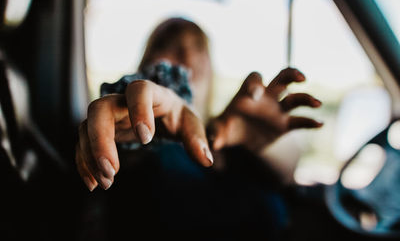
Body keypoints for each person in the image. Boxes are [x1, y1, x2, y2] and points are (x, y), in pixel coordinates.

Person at [75, 17, 322, 239]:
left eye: (198, 47)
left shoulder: (232, 139)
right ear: (147, 62)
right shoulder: (145, 147)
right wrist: (132, 124)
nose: (187, 56)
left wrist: (263, 143)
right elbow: (125, 151)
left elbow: (287, 169)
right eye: (167, 44)